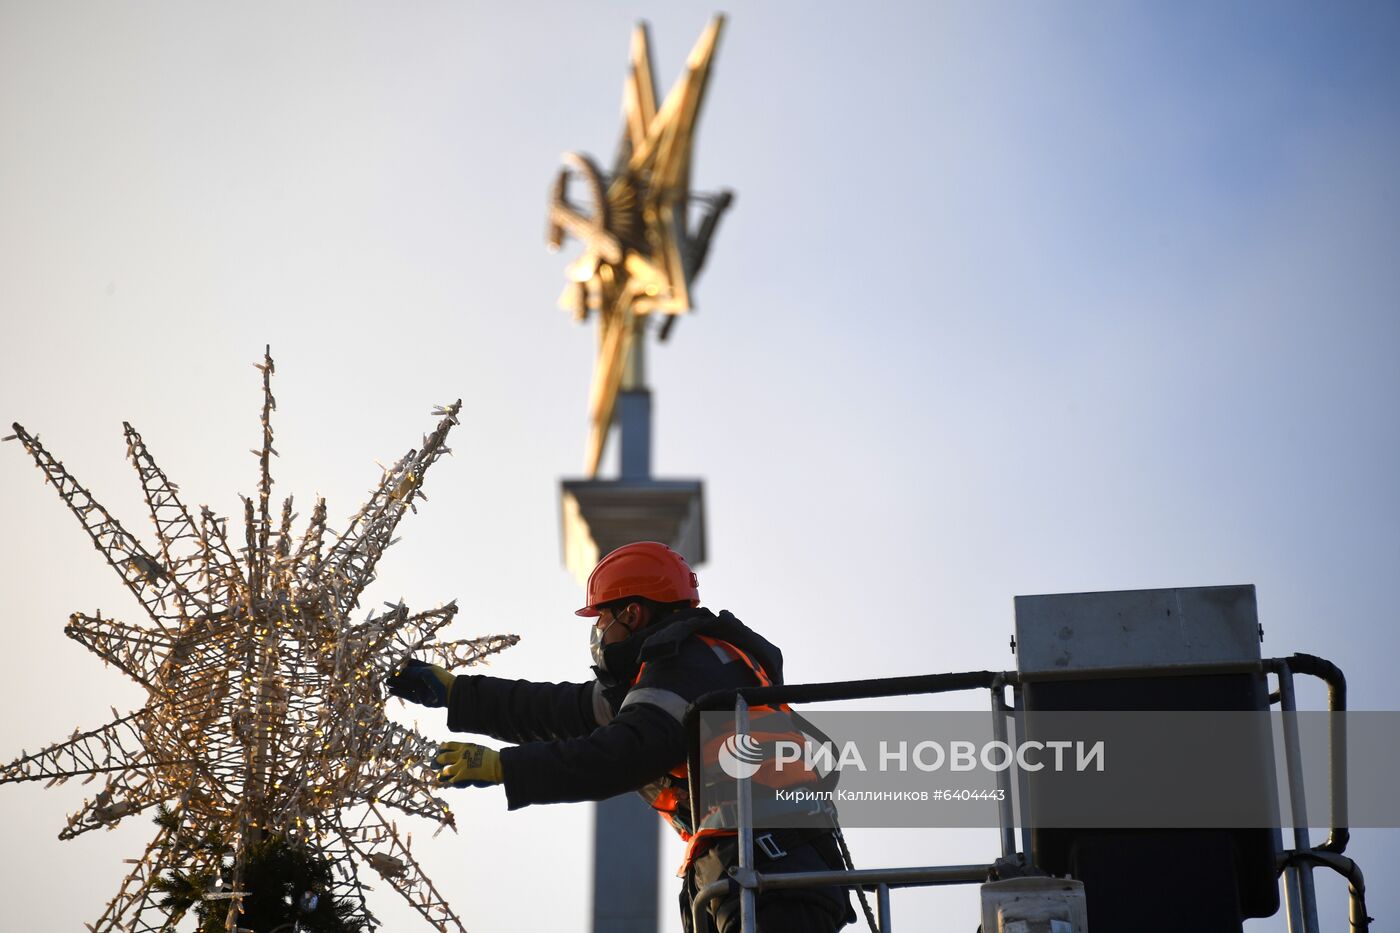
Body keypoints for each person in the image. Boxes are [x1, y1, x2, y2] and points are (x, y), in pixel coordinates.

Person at [386, 541, 855, 933]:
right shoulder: (683, 668)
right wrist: (458, 694)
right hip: (762, 876)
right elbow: (562, 710)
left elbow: (622, 753)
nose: (597, 631)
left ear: (631, 613)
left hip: (772, 881)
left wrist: (506, 767)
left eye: (601, 617)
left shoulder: (685, 666)